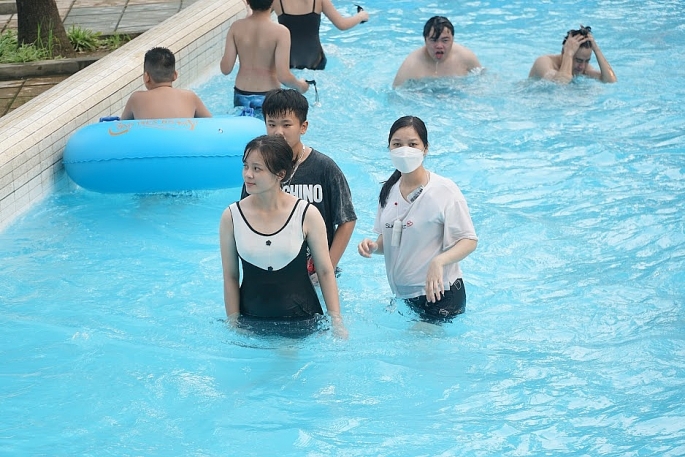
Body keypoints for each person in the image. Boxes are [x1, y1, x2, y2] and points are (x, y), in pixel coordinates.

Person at [219, 134, 346, 336]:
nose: (248, 175)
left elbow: (325, 271)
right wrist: (233, 323)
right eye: (246, 166)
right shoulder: (231, 217)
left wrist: (337, 322)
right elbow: (231, 276)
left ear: (280, 174)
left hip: (303, 321)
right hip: (251, 321)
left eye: (257, 169)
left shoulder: (307, 214)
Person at [357, 116, 478, 321]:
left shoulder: (444, 190)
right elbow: (390, 242)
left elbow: (469, 240)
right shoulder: (388, 191)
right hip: (405, 297)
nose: (404, 150)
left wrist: (439, 262)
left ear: (425, 148)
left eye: (412, 144)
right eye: (397, 144)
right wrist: (374, 247)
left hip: (442, 295)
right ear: (389, 148)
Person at [240, 89, 356, 281]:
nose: (278, 132)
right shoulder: (258, 170)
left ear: (303, 127)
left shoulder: (324, 168)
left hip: (317, 273)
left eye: (286, 124)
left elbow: (347, 219)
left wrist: (327, 267)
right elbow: (246, 218)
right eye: (271, 124)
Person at [220, 0, 309, 118]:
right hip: (268, 97)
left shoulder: (236, 27)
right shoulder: (281, 32)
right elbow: (284, 76)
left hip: (241, 95)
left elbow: (225, 69)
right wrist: (300, 86)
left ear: (248, 1)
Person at [273, 0, 369, 70]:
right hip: (316, 61)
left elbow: (263, 20)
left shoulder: (276, 1)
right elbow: (342, 25)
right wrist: (361, 16)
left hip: (287, 62)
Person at [121, 47, 211, 120]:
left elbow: (120, 126)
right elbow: (211, 123)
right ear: (175, 75)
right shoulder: (190, 96)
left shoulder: (136, 98)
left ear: (146, 77)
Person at [392, 16, 482, 88]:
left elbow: (483, 80)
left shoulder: (465, 57)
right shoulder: (411, 65)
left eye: (445, 40)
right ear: (425, 40)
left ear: (452, 40)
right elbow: (395, 94)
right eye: (434, 40)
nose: (439, 46)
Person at [528, 25, 617, 83]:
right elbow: (560, 84)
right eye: (578, 60)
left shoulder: (584, 68)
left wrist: (597, 50)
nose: (582, 66)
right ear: (564, 52)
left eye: (587, 61)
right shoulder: (543, 62)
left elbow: (610, 81)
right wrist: (568, 54)